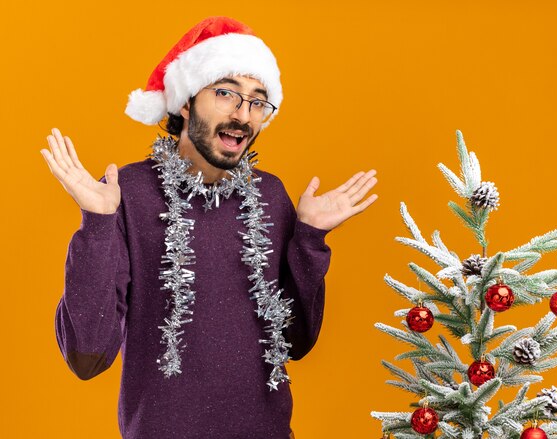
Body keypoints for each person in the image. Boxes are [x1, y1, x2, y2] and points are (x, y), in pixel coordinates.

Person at [40, 16, 378, 439]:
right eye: (226, 94)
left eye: (258, 101)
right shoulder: (128, 194)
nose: (243, 115)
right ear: (185, 102)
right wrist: (97, 225)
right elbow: (86, 356)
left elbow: (295, 342)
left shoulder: (271, 195)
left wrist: (309, 238)